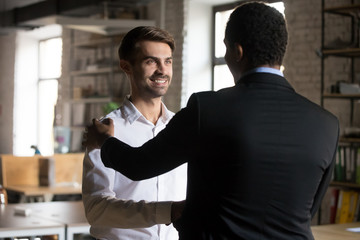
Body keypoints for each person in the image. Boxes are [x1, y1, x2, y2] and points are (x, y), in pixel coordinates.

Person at [84, 2, 339, 239]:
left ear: (237, 51)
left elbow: (139, 165)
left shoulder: (206, 112)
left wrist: (105, 142)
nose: (162, 69)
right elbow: (309, 208)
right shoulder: (327, 124)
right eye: (151, 61)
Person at [82, 26, 187, 240]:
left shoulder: (183, 126)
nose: (162, 70)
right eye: (151, 61)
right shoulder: (106, 131)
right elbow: (97, 209)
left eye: (167, 61)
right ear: (126, 66)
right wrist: (167, 211)